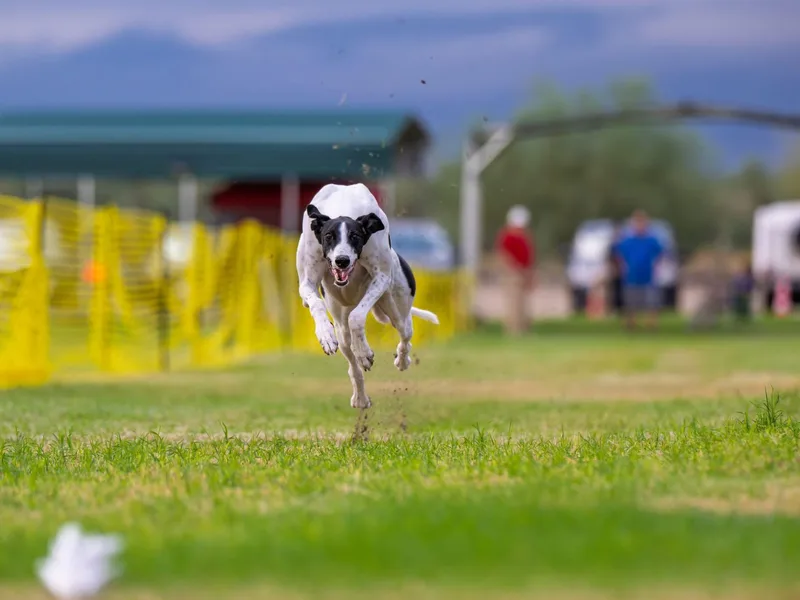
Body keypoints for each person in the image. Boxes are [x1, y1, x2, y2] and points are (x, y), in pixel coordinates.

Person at [612, 210, 664, 330]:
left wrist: (655, 265)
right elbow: (617, 254)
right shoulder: (627, 241)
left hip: (648, 276)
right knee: (631, 301)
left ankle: (652, 324)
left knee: (651, 301)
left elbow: (660, 253)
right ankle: (630, 323)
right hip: (631, 276)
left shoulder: (652, 241)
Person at [495, 205, 535, 335]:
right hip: (513, 273)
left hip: (524, 272)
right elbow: (504, 255)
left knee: (523, 303)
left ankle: (523, 329)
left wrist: (528, 273)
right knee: (513, 303)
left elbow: (528, 256)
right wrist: (515, 269)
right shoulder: (507, 236)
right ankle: (513, 330)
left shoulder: (524, 236)